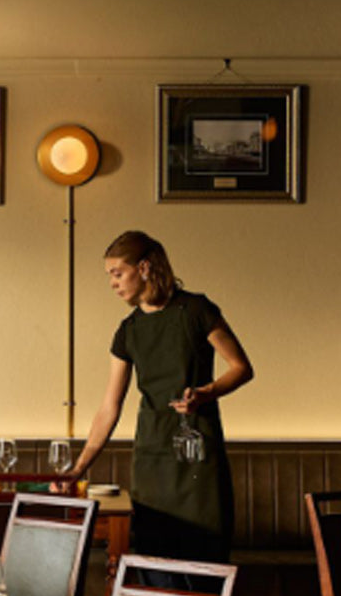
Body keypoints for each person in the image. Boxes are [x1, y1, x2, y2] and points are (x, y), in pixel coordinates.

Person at [66, 230, 253, 563]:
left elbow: (241, 367)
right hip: (152, 460)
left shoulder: (196, 310)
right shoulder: (128, 331)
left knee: (204, 562)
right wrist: (77, 469)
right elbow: (109, 407)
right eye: (109, 275)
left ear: (145, 268)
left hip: (197, 458)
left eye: (117, 273)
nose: (112, 283)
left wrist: (205, 394)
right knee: (155, 563)